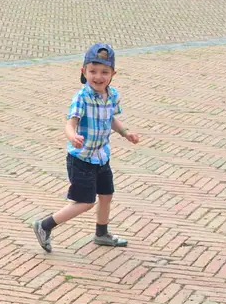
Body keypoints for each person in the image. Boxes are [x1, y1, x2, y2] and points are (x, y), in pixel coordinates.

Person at [31, 43, 143, 253]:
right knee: (85, 202)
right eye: (92, 71)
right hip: (81, 158)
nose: (98, 77)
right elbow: (69, 123)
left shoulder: (112, 95)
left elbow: (111, 119)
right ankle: (45, 225)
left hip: (101, 157)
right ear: (83, 72)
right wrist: (73, 136)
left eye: (104, 72)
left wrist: (126, 132)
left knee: (107, 194)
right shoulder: (81, 97)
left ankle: (102, 234)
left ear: (113, 74)